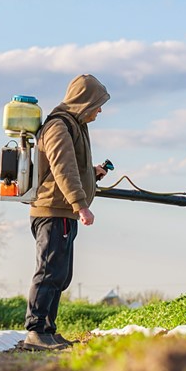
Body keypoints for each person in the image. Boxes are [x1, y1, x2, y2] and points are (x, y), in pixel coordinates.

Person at [22, 74, 110, 351]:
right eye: (97, 103)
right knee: (49, 271)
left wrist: (91, 174)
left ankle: (47, 330)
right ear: (84, 101)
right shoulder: (59, 126)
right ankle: (35, 331)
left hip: (63, 211)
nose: (99, 110)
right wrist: (80, 205)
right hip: (54, 210)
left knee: (60, 273)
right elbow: (63, 169)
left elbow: (73, 167)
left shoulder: (74, 125)